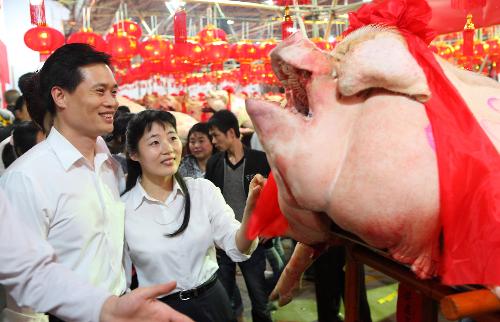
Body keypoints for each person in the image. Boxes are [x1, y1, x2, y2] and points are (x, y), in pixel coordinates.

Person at [0, 43, 126, 321]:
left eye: (114, 91)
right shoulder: (27, 178)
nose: (112, 102)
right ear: (60, 96)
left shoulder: (108, 165)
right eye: (99, 91)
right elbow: (23, 292)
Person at [122, 109, 263, 322]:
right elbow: (119, 280)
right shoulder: (123, 209)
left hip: (214, 301)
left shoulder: (202, 191)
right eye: (154, 142)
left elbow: (238, 246)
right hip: (159, 312)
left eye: (172, 138)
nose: (168, 149)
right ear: (133, 154)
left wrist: (251, 210)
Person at [0, 187, 192, 322]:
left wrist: (107, 308)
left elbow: (30, 268)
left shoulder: (109, 166)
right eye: (154, 142)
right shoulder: (26, 177)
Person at [205, 110, 272, 322]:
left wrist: (269, 228)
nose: (213, 141)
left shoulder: (260, 160)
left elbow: (274, 198)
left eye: (216, 135)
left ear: (231, 132)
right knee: (225, 299)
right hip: (222, 243)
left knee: (259, 298)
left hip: (253, 238)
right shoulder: (214, 163)